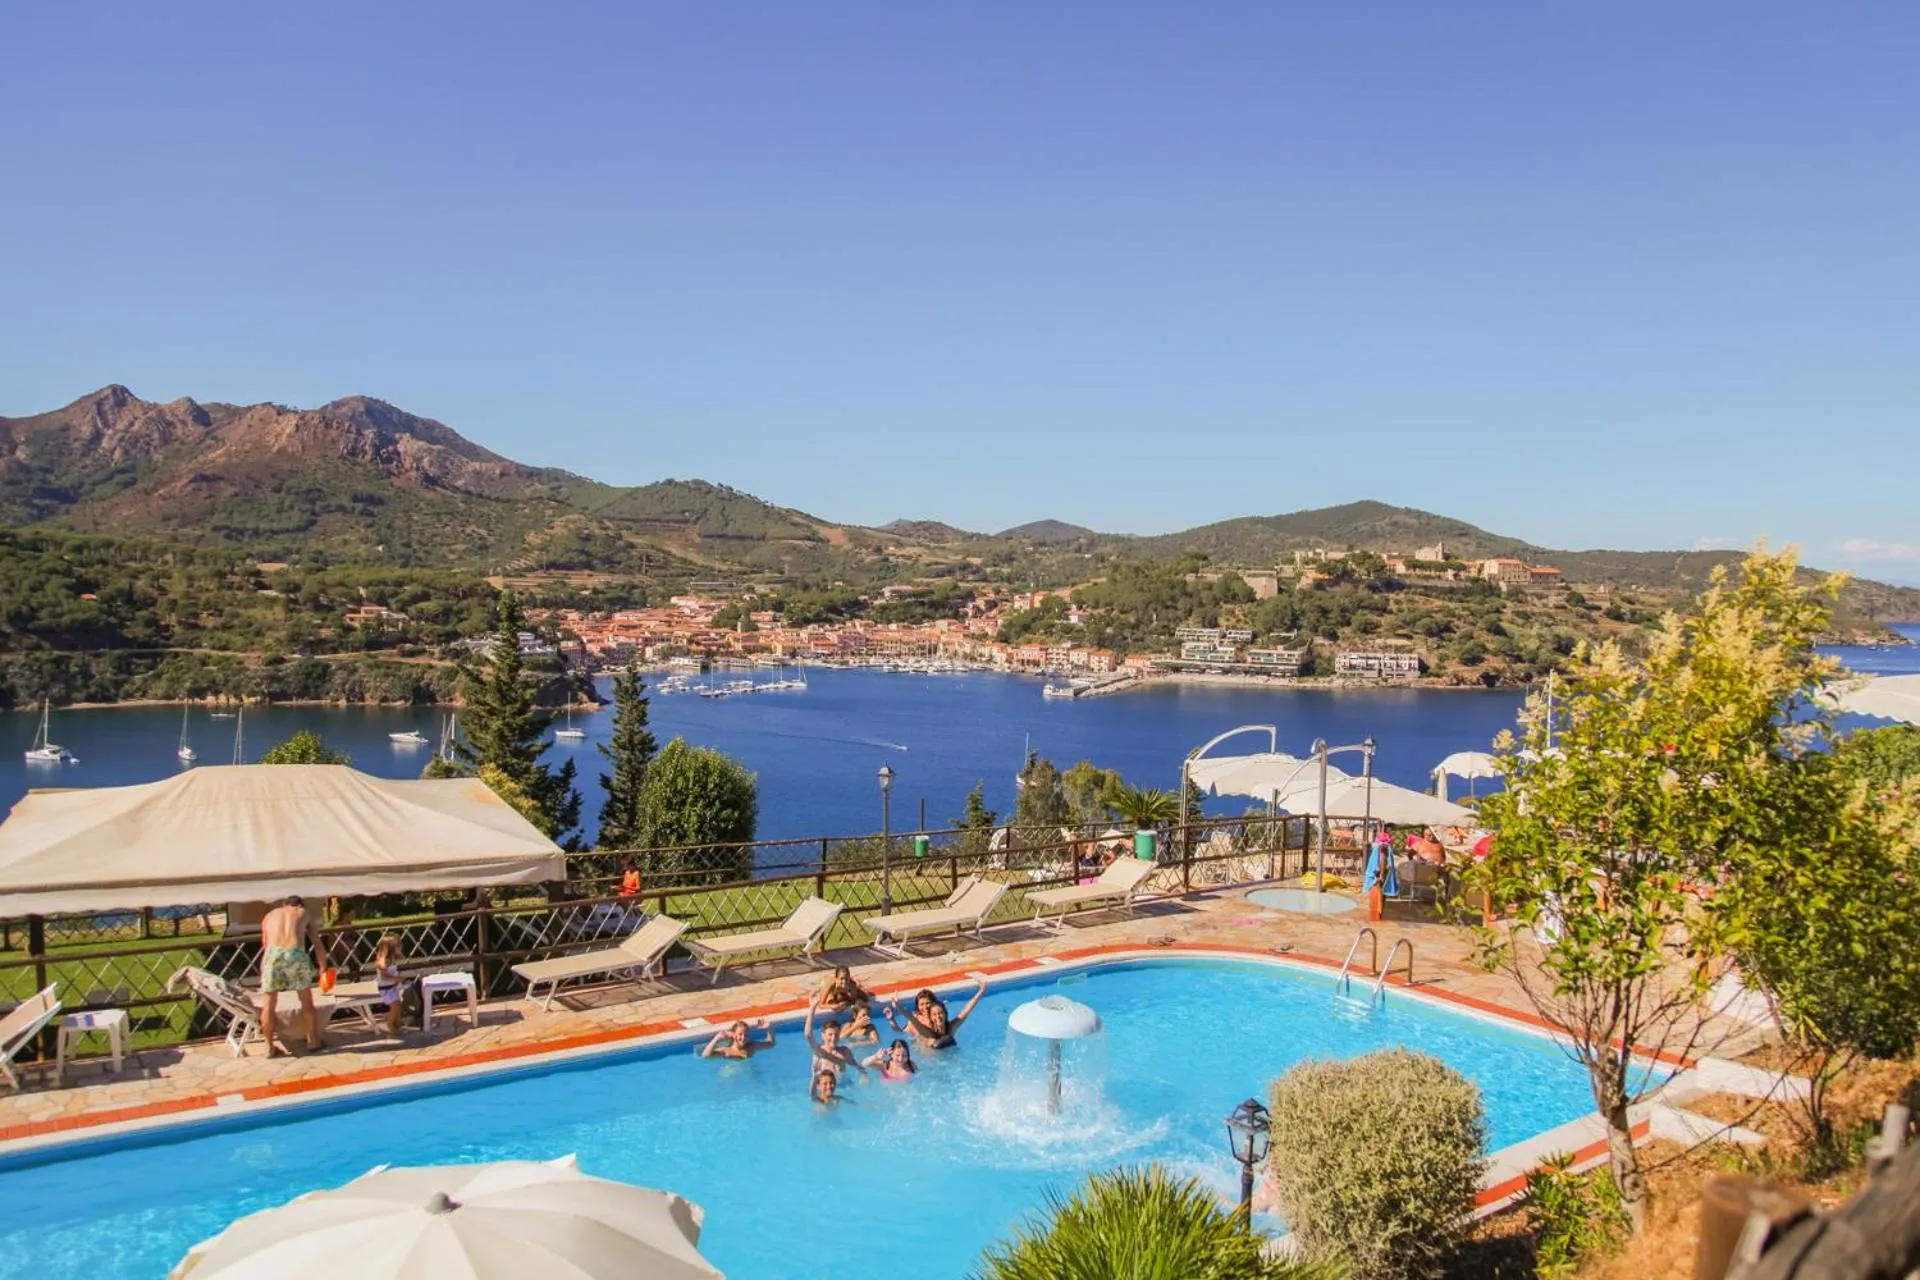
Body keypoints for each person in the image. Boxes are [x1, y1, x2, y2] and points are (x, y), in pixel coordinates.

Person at [258, 895, 328, 1057]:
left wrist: (263, 970)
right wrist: (323, 968)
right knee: (306, 1001)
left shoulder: (270, 915)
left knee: (268, 1005)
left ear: (284, 905)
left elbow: (266, 945)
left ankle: (268, 1046)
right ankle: (312, 1040)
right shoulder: (303, 912)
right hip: (295, 954)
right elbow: (318, 945)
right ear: (299, 905)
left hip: (272, 956)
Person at [886, 978, 988, 1050]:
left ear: (945, 1014)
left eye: (940, 1013)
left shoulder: (951, 1027)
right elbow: (911, 1018)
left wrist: (981, 991)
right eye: (934, 1015)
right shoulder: (927, 1032)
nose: (938, 1017)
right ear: (931, 1017)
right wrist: (897, 1007)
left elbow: (966, 1010)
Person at [805, 995, 865, 1079]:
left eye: (836, 1035)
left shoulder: (844, 1052)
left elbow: (856, 1066)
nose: (833, 1038)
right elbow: (808, 1035)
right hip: (823, 1086)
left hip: (845, 1085)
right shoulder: (819, 1051)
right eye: (830, 1034)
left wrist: (864, 1076)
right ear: (823, 1035)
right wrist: (812, 1008)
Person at [371, 932, 406, 1035]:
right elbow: (384, 977)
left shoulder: (391, 959)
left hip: (391, 987)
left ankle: (397, 1022)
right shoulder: (384, 961)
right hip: (385, 989)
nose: (400, 948)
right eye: (398, 946)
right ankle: (390, 1023)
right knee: (396, 1005)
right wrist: (397, 978)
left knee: (399, 1004)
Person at [699, 1018, 775, 1059]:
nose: (743, 1037)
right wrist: (717, 1038)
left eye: (746, 1035)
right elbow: (705, 1056)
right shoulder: (727, 1051)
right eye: (740, 1034)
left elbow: (771, 1044)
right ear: (734, 1035)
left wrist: (769, 1029)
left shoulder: (751, 1047)